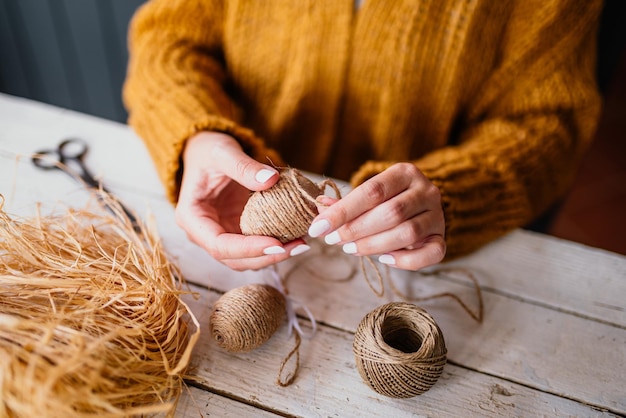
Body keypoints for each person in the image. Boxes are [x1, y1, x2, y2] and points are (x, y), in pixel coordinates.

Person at [123, 0, 603, 272]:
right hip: (241, 206)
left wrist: (451, 194)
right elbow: (168, 41)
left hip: (412, 260)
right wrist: (197, 134)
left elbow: (548, 123)